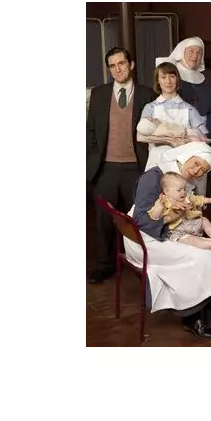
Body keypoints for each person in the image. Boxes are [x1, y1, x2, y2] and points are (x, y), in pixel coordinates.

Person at [129, 142, 211, 340]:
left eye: (203, 170)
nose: (197, 171)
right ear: (186, 155)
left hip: (167, 230)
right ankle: (192, 317)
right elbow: (141, 221)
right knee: (198, 258)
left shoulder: (182, 180)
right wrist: (173, 217)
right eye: (196, 163)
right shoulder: (154, 177)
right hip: (143, 238)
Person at [87, 47, 155, 284]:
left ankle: (139, 262)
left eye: (122, 64)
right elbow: (90, 129)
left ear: (131, 65)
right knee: (104, 219)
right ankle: (104, 265)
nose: (117, 69)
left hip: (136, 168)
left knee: (136, 219)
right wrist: (91, 160)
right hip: (105, 168)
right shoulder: (99, 94)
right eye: (113, 65)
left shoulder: (147, 94)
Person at [137, 61, 209, 178]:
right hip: (157, 162)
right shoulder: (150, 108)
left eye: (172, 76)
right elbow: (140, 137)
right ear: (158, 81)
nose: (168, 81)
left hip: (182, 165)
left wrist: (186, 139)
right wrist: (169, 140)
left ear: (177, 79)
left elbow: (204, 140)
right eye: (163, 77)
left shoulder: (190, 109)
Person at [166, 37, 211, 194]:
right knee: (178, 186)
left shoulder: (205, 80)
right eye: (191, 51)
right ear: (181, 52)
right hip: (179, 139)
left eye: (199, 52)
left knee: (200, 187)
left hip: (202, 138)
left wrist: (207, 133)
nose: (195, 55)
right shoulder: (171, 77)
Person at [148, 172, 211, 250]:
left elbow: (197, 199)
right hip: (176, 230)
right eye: (179, 190)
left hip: (190, 223)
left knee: (204, 221)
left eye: (184, 189)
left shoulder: (187, 197)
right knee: (191, 240)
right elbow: (154, 216)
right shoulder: (163, 201)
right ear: (167, 191)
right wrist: (160, 206)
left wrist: (209, 200)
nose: (183, 192)